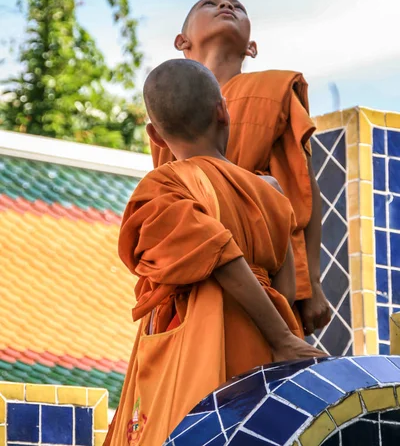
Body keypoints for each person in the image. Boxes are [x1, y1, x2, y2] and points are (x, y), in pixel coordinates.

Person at [105, 59, 323, 446]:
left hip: (195, 344)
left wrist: (281, 338)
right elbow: (286, 290)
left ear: (154, 135)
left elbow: (214, 248)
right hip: (259, 341)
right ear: (223, 111)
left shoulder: (164, 186)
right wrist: (279, 335)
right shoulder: (271, 189)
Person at [150, 0, 331, 337]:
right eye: (210, 4)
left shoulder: (274, 90)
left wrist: (315, 284)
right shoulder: (167, 105)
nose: (226, 7)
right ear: (181, 40)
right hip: (197, 273)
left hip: (269, 267)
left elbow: (302, 188)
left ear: (252, 47)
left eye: (237, 6)